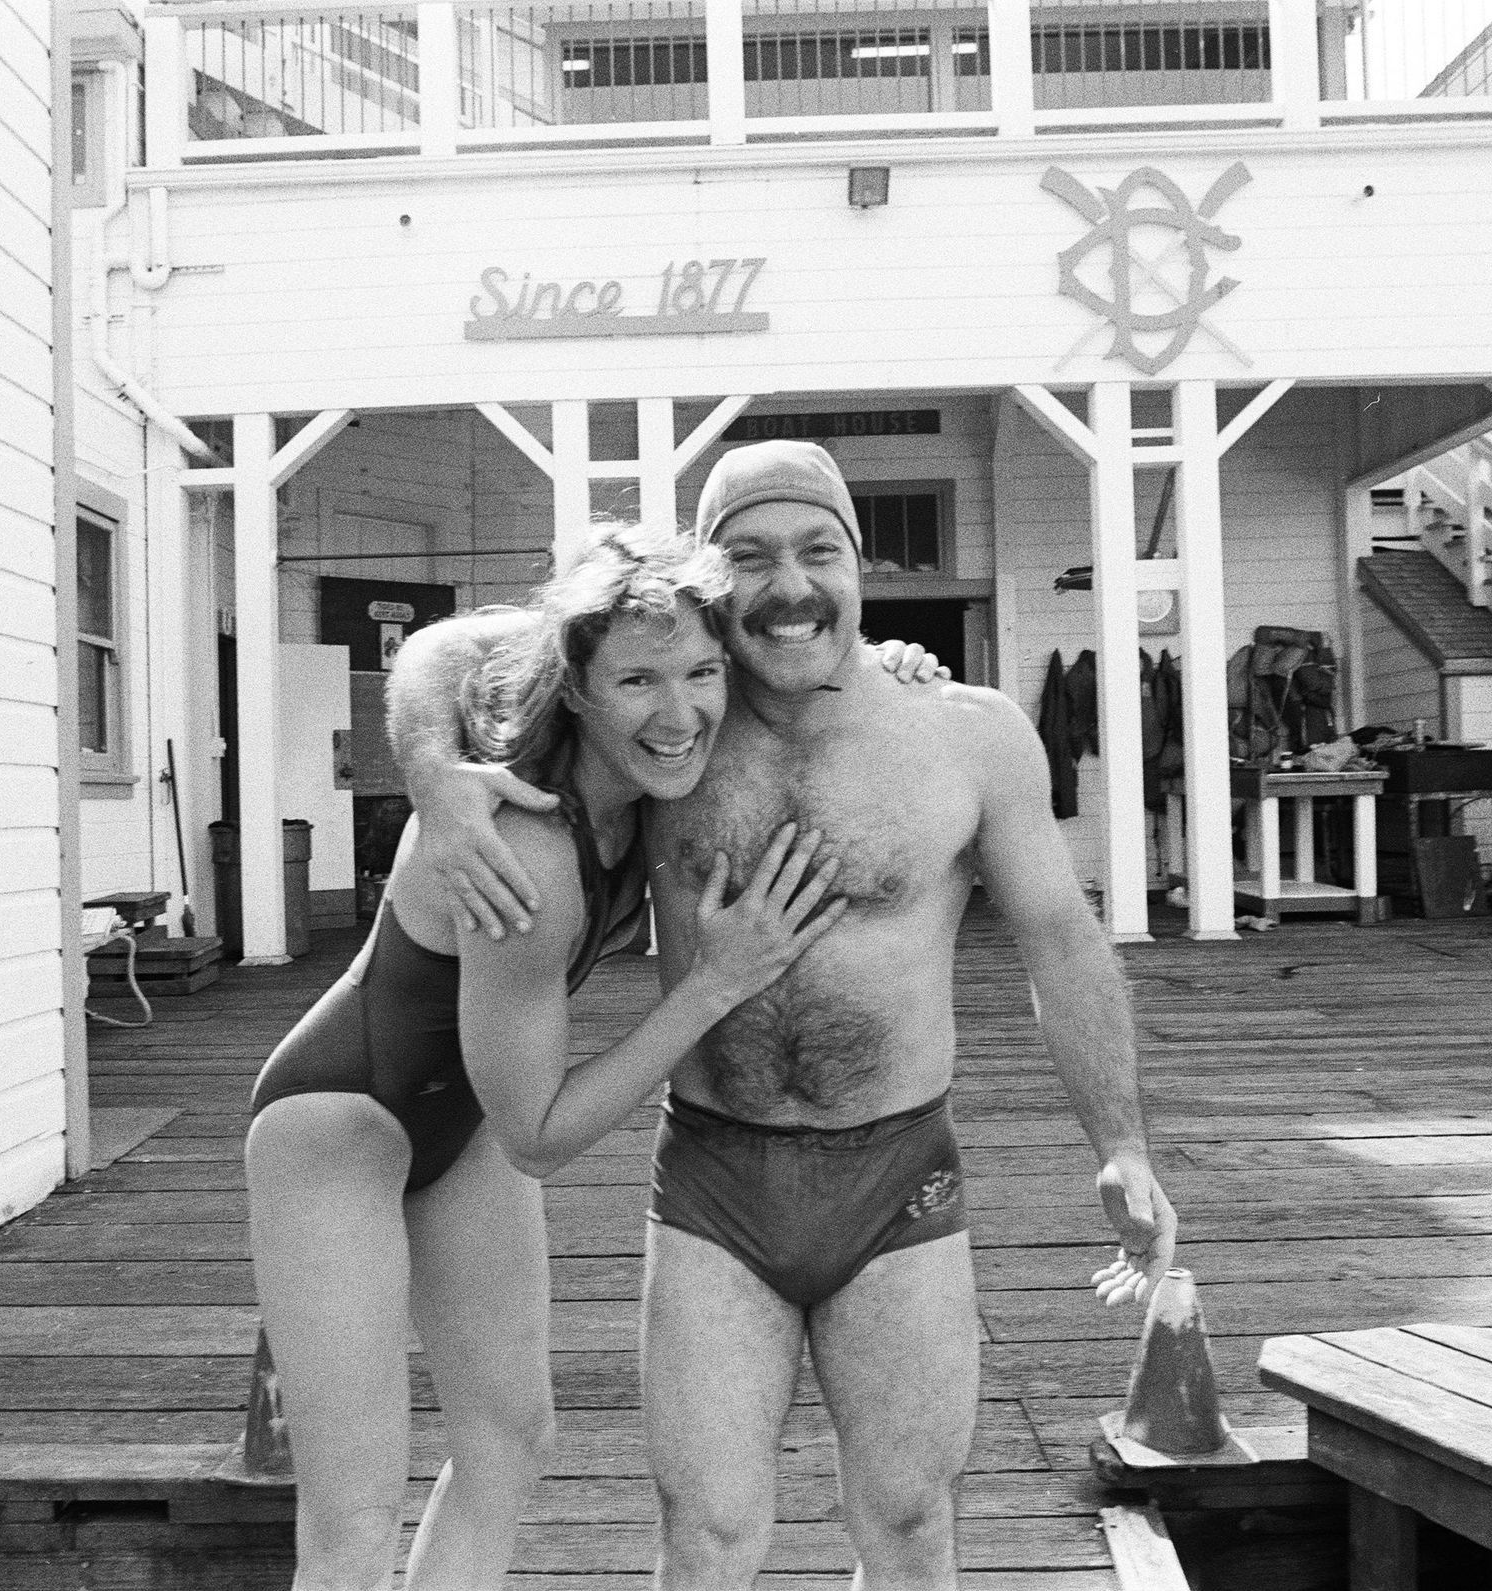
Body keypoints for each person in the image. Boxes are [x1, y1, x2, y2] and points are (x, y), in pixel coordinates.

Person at [393, 441, 1178, 1590]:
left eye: (820, 550)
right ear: (713, 583)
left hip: (901, 1178)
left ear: (861, 566)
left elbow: (1060, 937)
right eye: (751, 557)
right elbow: (446, 650)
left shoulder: (969, 735)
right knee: (709, 1535)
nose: (792, 584)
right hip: (716, 1181)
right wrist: (429, 771)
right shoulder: (671, 731)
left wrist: (1121, 1144)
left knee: (908, 1522)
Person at [244, 525, 848, 1590]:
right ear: (575, 687)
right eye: (638, 681)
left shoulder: (638, 785)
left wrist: (896, 664)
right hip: (337, 1127)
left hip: (465, 1116)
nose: (680, 713)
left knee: (510, 1442)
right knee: (353, 1518)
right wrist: (714, 983)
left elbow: (448, 645)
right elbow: (539, 1134)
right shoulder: (528, 842)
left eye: (701, 673)